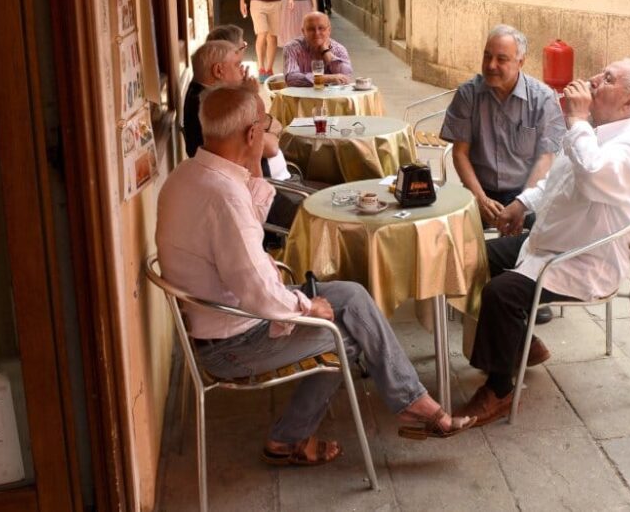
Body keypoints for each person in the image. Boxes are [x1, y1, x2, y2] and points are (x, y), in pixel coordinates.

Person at [157, 86, 474, 465]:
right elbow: (260, 294)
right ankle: (289, 438)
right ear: (251, 134)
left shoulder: (188, 175)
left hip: (222, 317)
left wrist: (254, 167)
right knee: (348, 338)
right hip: (233, 342)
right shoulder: (224, 195)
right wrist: (308, 307)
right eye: (264, 125)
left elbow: (246, 245)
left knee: (353, 296)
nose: (269, 132)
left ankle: (413, 402)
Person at [459, 59, 630, 426]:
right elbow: (555, 182)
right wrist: (522, 204)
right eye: (601, 72)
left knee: (501, 293)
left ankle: (499, 389)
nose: (595, 79)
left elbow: (592, 176)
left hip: (583, 259)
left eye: (608, 79)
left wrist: (578, 121)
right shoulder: (594, 131)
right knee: (474, 257)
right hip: (551, 243)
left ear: (629, 102)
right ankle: (522, 343)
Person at [440, 24, 566, 324]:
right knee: (443, 227)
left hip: (525, 190)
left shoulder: (542, 98)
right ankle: (464, 289)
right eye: (487, 56)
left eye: (501, 58)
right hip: (478, 188)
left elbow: (546, 157)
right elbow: (460, 154)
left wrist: (524, 203)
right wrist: (480, 198)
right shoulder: (469, 94)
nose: (491, 65)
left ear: (520, 62)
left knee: (549, 226)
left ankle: (531, 290)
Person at [283, 12, 353, 87]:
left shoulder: (339, 49)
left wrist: (326, 51)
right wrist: (326, 79)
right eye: (311, 29)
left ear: (329, 30)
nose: (317, 33)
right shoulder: (292, 48)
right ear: (303, 31)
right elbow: (291, 79)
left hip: (330, 97)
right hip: (303, 97)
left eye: (321, 28)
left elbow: (345, 76)